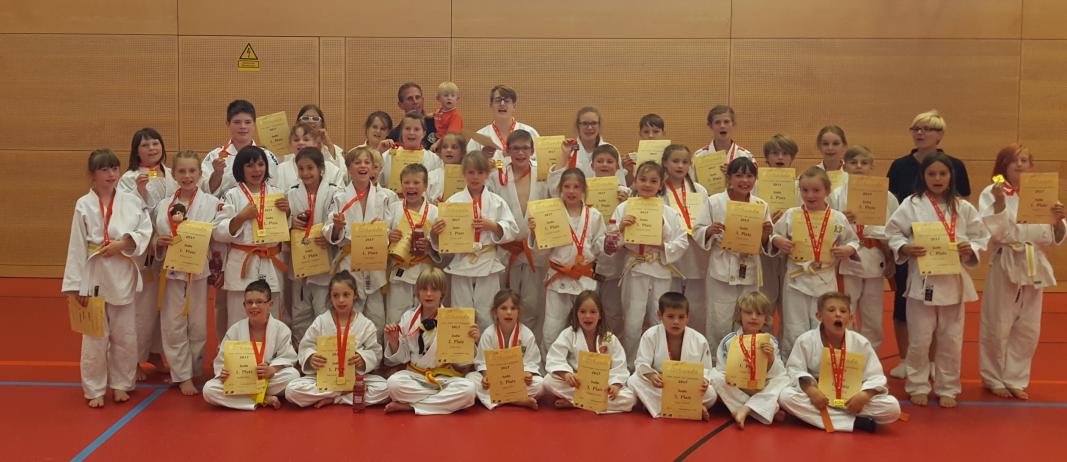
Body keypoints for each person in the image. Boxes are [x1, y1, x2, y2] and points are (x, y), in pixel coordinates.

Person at [885, 153, 989, 408]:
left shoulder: (963, 207)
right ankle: (917, 384)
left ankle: (948, 387)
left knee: (951, 339)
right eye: (932, 174)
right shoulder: (912, 204)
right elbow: (892, 232)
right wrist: (905, 247)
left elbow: (980, 236)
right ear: (923, 177)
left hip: (953, 283)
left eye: (943, 173)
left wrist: (970, 248)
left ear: (951, 176)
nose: (938, 178)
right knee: (919, 339)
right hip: (922, 282)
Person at [63, 149, 153, 407]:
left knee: (125, 335)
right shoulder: (83, 204)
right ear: (92, 174)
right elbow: (76, 246)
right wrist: (76, 286)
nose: (111, 174)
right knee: (94, 337)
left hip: (122, 271)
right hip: (94, 274)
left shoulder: (131, 200)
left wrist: (124, 243)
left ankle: (122, 384)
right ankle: (94, 389)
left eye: (114, 168)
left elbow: (144, 229)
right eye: (104, 169)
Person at [885, 109, 971, 378]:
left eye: (927, 129)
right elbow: (891, 214)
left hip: (947, 261)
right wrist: (903, 247)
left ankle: (939, 371)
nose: (920, 133)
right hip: (915, 255)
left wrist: (967, 246)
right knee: (909, 309)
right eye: (916, 128)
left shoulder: (957, 178)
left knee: (946, 324)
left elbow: (969, 225)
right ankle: (910, 366)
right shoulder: (901, 170)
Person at [978, 144, 1066, 400]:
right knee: (998, 323)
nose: (1019, 165)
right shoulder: (991, 192)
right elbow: (994, 233)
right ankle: (994, 378)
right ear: (1003, 165)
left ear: (1031, 166)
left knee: (1028, 327)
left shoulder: (1042, 192)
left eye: (1024, 160)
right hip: (1006, 259)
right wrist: (999, 205)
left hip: (1034, 261)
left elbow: (1054, 237)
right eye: (1013, 161)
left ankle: (1015, 378)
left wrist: (1058, 220)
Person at [769, 167, 859, 358]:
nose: (810, 195)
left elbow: (853, 241)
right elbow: (774, 235)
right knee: (794, 326)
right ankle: (793, 366)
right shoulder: (791, 214)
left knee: (823, 324)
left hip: (825, 280)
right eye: (805, 190)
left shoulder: (837, 217)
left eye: (816, 190)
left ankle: (823, 365)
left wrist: (848, 249)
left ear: (827, 191)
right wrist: (778, 241)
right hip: (796, 279)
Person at [778, 292, 901, 432]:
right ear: (819, 316)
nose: (838, 314)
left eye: (843, 311)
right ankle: (855, 422)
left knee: (893, 407)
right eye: (831, 310)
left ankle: (829, 417)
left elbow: (876, 376)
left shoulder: (860, 343)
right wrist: (811, 391)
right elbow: (794, 370)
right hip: (820, 397)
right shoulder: (805, 340)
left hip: (851, 398)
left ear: (850, 318)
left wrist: (864, 396)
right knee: (786, 397)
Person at [154, 151, 222, 395]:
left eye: (192, 171)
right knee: (173, 324)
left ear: (200, 173)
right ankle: (181, 375)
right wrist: (159, 243)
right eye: (181, 171)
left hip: (197, 272)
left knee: (198, 326)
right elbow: (155, 237)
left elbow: (217, 236)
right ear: (174, 174)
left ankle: (192, 370)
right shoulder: (163, 205)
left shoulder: (211, 203)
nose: (187, 176)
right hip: (172, 273)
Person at [608, 161, 689, 363]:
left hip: (660, 269)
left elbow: (682, 242)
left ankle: (658, 362)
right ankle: (630, 364)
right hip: (635, 268)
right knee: (632, 319)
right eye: (642, 179)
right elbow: (609, 244)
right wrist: (620, 228)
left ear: (661, 185)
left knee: (660, 318)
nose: (647, 184)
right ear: (635, 182)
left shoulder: (669, 212)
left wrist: (663, 245)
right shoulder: (623, 208)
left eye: (653, 181)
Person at [692, 157, 772, 348]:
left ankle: (745, 356)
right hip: (721, 268)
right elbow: (697, 231)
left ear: (755, 179)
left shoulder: (761, 205)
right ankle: (715, 358)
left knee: (748, 316)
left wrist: (765, 235)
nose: (744, 180)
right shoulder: (714, 202)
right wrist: (709, 230)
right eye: (739, 175)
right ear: (728, 178)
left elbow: (765, 243)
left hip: (749, 267)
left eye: (749, 176)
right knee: (718, 319)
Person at [435, 153, 519, 329]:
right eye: (471, 172)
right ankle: (461, 346)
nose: (475, 177)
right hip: (461, 262)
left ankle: (486, 346)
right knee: (460, 312)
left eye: (480, 172)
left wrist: (493, 226)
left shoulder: (496, 202)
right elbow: (441, 240)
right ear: (464, 173)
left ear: (487, 174)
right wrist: (437, 233)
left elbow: (512, 229)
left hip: (487, 262)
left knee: (488, 313)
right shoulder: (453, 202)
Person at [828, 146, 898, 352]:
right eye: (853, 162)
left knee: (873, 314)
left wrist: (891, 257)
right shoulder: (836, 195)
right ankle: (846, 355)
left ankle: (870, 356)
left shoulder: (886, 195)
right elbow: (826, 226)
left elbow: (895, 229)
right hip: (848, 259)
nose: (859, 167)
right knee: (845, 310)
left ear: (872, 167)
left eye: (864, 163)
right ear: (845, 166)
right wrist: (841, 218)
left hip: (875, 257)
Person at [284, 271, 390, 408]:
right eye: (336, 295)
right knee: (291, 391)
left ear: (355, 295)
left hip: (354, 378)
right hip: (325, 377)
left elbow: (375, 352)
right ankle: (346, 394)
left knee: (386, 389)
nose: (341, 300)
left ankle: (335, 398)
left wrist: (363, 358)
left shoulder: (365, 324)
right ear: (330, 297)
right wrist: (311, 357)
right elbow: (305, 346)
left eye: (346, 295)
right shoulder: (321, 321)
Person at [213, 146, 291, 331]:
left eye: (260, 164)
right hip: (242, 264)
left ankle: (267, 351)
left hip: (271, 263)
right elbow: (218, 232)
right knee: (238, 323)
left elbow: (287, 230)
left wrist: (287, 213)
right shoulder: (231, 195)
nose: (256, 170)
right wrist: (241, 217)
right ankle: (238, 351)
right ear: (240, 168)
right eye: (250, 165)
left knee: (271, 323)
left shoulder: (277, 194)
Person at [382, 268, 479, 415]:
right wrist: (394, 340)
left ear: (442, 293)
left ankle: (411, 406)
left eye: (434, 289)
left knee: (469, 390)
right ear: (418, 292)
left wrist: (470, 343)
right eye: (424, 289)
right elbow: (402, 358)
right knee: (393, 385)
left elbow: (461, 364)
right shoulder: (408, 318)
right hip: (415, 376)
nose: (428, 294)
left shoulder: (455, 319)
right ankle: (438, 401)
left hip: (443, 377)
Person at [118, 128, 174, 380]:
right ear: (136, 151)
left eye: (155, 143)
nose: (152, 148)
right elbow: (126, 213)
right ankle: (134, 359)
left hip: (169, 247)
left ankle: (154, 352)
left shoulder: (171, 174)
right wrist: (139, 193)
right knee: (142, 307)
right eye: (145, 145)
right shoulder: (129, 178)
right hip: (145, 251)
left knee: (163, 306)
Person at [533, 168, 606, 355]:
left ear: (584, 190)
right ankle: (550, 365)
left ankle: (583, 363)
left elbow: (599, 246)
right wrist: (536, 232)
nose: (571, 191)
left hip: (584, 279)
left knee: (585, 326)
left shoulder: (594, 215)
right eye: (567, 186)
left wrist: (610, 242)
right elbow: (543, 252)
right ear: (560, 189)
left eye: (576, 187)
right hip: (559, 278)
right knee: (552, 326)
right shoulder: (550, 214)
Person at [323, 147, 392, 333]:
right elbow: (328, 230)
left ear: (373, 168)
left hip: (373, 261)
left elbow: (388, 228)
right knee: (351, 314)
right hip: (349, 261)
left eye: (367, 162)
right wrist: (337, 227)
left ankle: (374, 351)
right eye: (357, 162)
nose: (363, 166)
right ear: (348, 168)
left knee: (377, 317)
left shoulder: (383, 197)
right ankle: (348, 348)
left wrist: (384, 233)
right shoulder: (339, 197)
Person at [490, 130, 550, 338]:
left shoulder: (543, 174)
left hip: (534, 249)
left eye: (525, 148)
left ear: (532, 151)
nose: (521, 153)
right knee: (504, 305)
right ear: (507, 151)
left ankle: (530, 349)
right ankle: (504, 346)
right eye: (515, 148)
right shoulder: (497, 176)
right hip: (506, 250)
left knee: (533, 304)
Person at [202, 280, 299, 410]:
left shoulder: (281, 329)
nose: (253, 306)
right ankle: (263, 399)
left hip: (267, 378)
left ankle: (247, 397)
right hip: (241, 380)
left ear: (270, 304)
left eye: (259, 302)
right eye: (249, 302)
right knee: (209, 390)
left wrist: (272, 369)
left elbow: (287, 357)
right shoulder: (235, 330)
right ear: (244, 305)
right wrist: (224, 372)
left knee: (292, 375)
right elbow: (222, 360)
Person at [627, 292, 718, 421]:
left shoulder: (699, 340)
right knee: (633, 381)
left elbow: (707, 369)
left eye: (681, 317)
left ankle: (658, 405)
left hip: (687, 387)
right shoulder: (650, 335)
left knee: (711, 395)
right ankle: (688, 408)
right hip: (661, 385)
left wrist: (704, 380)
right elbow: (642, 362)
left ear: (688, 317)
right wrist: (651, 375)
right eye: (670, 316)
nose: (676, 322)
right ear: (660, 315)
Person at [543, 290, 635, 413]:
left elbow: (620, 366)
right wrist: (566, 374)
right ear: (576, 314)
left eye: (593, 312)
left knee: (630, 399)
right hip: (578, 384)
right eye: (582, 312)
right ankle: (590, 403)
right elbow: (555, 358)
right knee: (548, 381)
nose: (587, 316)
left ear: (600, 315)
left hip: (602, 387)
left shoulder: (608, 338)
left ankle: (576, 402)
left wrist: (615, 385)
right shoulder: (569, 334)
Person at [285, 147, 342, 345]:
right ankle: (304, 355)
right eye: (301, 168)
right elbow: (282, 224)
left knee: (323, 312)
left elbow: (336, 221)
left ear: (321, 168)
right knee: (300, 313)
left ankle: (325, 353)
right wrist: (290, 222)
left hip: (323, 259)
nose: (305, 173)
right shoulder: (291, 193)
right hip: (300, 261)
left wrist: (329, 233)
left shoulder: (335, 192)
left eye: (310, 168)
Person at [711, 292, 789, 428]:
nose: (753, 317)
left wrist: (770, 358)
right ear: (739, 315)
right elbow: (722, 370)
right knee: (716, 377)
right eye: (748, 312)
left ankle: (745, 409)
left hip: (760, 387)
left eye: (759, 314)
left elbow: (778, 373)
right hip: (738, 387)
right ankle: (764, 409)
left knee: (784, 379)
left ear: (766, 318)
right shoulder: (729, 341)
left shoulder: (770, 341)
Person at [660, 144, 710, 341]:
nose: (680, 166)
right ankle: (668, 345)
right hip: (670, 251)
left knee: (696, 305)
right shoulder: (659, 189)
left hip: (695, 252)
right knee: (670, 303)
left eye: (685, 162)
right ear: (665, 163)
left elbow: (705, 220)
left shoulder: (699, 190)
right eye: (675, 161)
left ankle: (695, 346)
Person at [468, 290, 543, 410]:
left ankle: (499, 399)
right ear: (495, 312)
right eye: (503, 308)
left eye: (513, 308)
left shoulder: (527, 334)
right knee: (471, 379)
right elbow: (482, 362)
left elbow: (531, 362)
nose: (508, 312)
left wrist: (528, 374)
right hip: (495, 380)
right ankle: (517, 400)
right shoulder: (489, 333)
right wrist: (486, 377)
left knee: (541, 385)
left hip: (516, 381)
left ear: (519, 312)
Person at [385, 163, 441, 323]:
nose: (411, 186)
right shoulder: (392, 209)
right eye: (406, 182)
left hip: (425, 273)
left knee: (425, 318)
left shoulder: (435, 212)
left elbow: (443, 246)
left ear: (425, 186)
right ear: (401, 185)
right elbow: (381, 234)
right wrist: (389, 236)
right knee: (395, 318)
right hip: (400, 271)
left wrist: (431, 246)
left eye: (416, 182)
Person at [758, 134, 801, 336]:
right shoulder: (756, 185)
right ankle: (762, 346)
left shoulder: (801, 186)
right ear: (767, 158)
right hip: (763, 252)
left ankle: (787, 350)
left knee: (790, 308)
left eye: (785, 153)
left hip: (791, 252)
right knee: (764, 302)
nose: (780, 157)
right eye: (775, 153)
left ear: (792, 158)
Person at [201, 99, 280, 197]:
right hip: (224, 205)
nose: (243, 126)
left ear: (254, 124)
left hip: (260, 205)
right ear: (228, 124)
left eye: (248, 122)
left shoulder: (267, 156)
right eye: (237, 122)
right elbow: (205, 193)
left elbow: (275, 188)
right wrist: (217, 173)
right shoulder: (215, 156)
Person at [466, 85, 540, 162]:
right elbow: (468, 165)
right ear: (491, 105)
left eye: (507, 100)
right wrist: (483, 161)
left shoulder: (530, 132)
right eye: (498, 100)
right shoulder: (479, 137)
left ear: (514, 106)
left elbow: (540, 162)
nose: (502, 103)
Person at [692, 105, 753, 182]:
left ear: (733, 124)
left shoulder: (746, 156)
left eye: (726, 122)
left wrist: (734, 175)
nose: (722, 126)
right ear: (710, 126)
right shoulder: (699, 156)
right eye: (717, 122)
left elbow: (754, 185)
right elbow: (692, 185)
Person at [295, 103, 345, 171]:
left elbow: (341, 174)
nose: (310, 121)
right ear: (298, 122)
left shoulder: (333, 149)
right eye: (305, 118)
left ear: (322, 124)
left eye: (315, 118)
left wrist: (330, 146)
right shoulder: (291, 148)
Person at [387, 82, 436, 149]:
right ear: (400, 105)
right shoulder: (394, 135)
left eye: (417, 97)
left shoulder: (436, 124)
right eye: (410, 99)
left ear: (423, 100)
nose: (415, 102)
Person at [431, 81, 463, 150]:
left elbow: (450, 135)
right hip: (438, 141)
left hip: (449, 144)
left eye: (452, 96)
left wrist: (437, 144)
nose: (449, 98)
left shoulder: (455, 116)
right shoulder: (439, 111)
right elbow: (432, 115)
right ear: (438, 98)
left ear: (457, 99)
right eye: (446, 95)